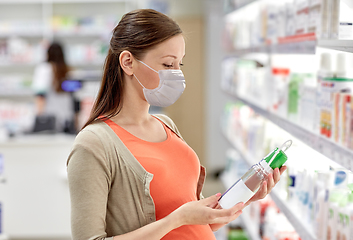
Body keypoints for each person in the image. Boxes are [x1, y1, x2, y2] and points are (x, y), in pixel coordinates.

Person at [66, 9, 287, 240]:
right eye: (168, 64)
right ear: (128, 62)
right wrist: (177, 219)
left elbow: (197, 222)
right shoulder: (93, 144)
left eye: (179, 64)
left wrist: (246, 196)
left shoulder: (166, 125)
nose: (178, 74)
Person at [32, 42, 76, 133]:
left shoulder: (44, 69)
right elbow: (74, 98)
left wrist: (39, 118)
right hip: (67, 119)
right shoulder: (68, 70)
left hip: (49, 119)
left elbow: (40, 95)